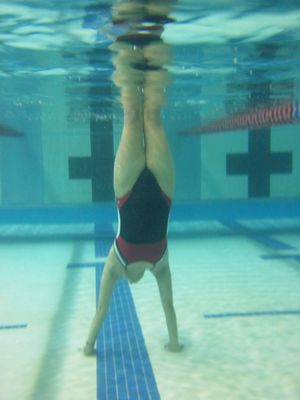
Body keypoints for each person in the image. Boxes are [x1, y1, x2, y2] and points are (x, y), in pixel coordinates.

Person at [84, 1, 182, 356]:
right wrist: (87, 346)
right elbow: (107, 310)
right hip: (141, 190)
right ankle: (143, 27)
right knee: (141, 115)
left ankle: (136, 24)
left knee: (141, 115)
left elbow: (103, 310)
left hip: (153, 190)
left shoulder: (132, 264)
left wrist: (174, 342)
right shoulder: (144, 265)